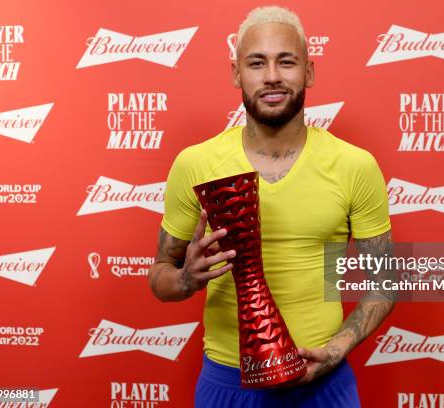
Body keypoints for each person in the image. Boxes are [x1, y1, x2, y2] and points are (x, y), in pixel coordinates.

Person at [148, 6, 394, 407]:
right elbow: (160, 274)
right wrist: (187, 280)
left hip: (323, 383)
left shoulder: (355, 165)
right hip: (228, 383)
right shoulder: (195, 164)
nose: (273, 76)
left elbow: (384, 283)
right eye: (257, 63)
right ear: (236, 74)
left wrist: (335, 350)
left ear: (309, 72)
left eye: (287, 62)